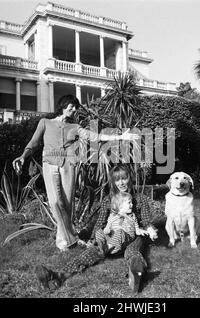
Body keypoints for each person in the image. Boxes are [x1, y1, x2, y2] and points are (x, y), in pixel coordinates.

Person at [12, 95, 137, 251]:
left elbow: (95, 137)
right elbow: (34, 142)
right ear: (63, 105)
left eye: (75, 107)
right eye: (71, 105)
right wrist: (23, 156)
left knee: (68, 204)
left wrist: (120, 137)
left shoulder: (75, 127)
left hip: (69, 166)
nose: (73, 109)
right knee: (55, 203)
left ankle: (62, 240)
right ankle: (72, 237)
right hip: (50, 164)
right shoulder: (45, 123)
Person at [35, 164, 159, 293]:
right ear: (113, 182)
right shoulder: (109, 200)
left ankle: (136, 272)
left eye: (124, 178)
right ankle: (58, 277)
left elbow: (145, 220)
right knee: (94, 251)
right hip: (112, 237)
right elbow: (101, 221)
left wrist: (150, 229)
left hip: (133, 236)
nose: (121, 183)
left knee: (133, 250)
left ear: (130, 178)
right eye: (117, 179)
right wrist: (94, 238)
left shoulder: (140, 199)